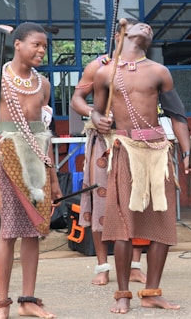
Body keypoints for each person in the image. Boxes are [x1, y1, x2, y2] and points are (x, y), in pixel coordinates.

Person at [91, 21, 191, 314]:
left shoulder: (159, 71)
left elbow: (177, 115)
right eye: (139, 24)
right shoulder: (104, 73)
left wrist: (188, 151)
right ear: (120, 35)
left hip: (158, 152)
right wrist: (96, 119)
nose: (146, 27)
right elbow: (98, 113)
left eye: (149, 27)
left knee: (162, 223)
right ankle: (123, 294)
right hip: (125, 152)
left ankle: (151, 292)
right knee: (124, 225)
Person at [0, 22, 62, 319]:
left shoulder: (44, 85)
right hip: (8, 161)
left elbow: (43, 132)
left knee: (34, 231)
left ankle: (28, 301)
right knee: (9, 232)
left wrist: (52, 176)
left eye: (44, 46)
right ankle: (2, 304)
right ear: (18, 45)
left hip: (37, 163)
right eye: (36, 44)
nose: (41, 50)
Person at [70, 18, 147, 286]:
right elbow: (76, 99)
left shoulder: (147, 68)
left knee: (137, 200)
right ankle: (102, 265)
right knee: (101, 201)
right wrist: (94, 113)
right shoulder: (99, 67)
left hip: (136, 143)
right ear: (117, 38)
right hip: (103, 140)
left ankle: (135, 264)